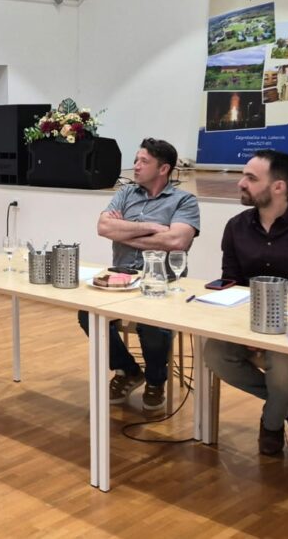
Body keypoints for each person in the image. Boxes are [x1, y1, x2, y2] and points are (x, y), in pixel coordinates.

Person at [202, 150, 288, 455]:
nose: (241, 183)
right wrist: (249, 330)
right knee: (215, 353)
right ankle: (287, 405)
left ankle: (271, 422)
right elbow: (232, 283)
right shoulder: (236, 226)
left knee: (285, 368)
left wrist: (278, 330)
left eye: (251, 178)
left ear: (278, 187)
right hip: (251, 322)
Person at [84, 138, 199, 413]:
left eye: (143, 161)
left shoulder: (184, 201)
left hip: (162, 282)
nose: (135, 166)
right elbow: (103, 227)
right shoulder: (126, 193)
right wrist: (152, 227)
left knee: (152, 325)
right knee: (87, 314)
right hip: (120, 277)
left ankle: (156, 381)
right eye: (136, 160)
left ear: (163, 169)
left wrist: (125, 232)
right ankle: (128, 370)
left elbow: (176, 241)